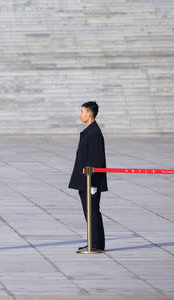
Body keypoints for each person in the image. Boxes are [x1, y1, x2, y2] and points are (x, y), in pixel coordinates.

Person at [69, 101, 108, 252]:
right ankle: (94, 242)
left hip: (90, 181)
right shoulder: (90, 131)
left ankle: (96, 244)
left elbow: (96, 160)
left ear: (89, 114)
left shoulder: (94, 133)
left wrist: (93, 183)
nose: (81, 114)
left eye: (82, 111)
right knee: (90, 212)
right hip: (84, 180)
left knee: (92, 212)